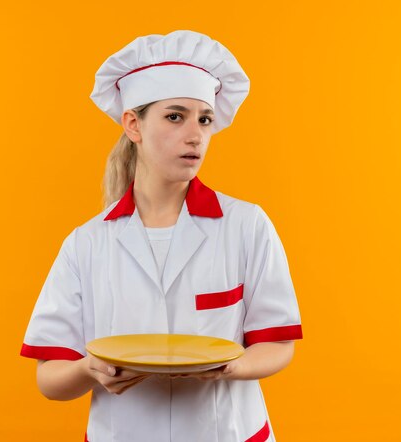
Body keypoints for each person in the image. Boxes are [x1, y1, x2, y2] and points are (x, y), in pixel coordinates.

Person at [20, 30, 303, 442]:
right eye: (176, 116)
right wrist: (88, 370)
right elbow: (50, 376)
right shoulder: (86, 244)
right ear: (133, 124)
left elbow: (277, 343)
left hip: (226, 432)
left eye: (204, 119)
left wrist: (230, 367)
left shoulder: (247, 225)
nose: (195, 135)